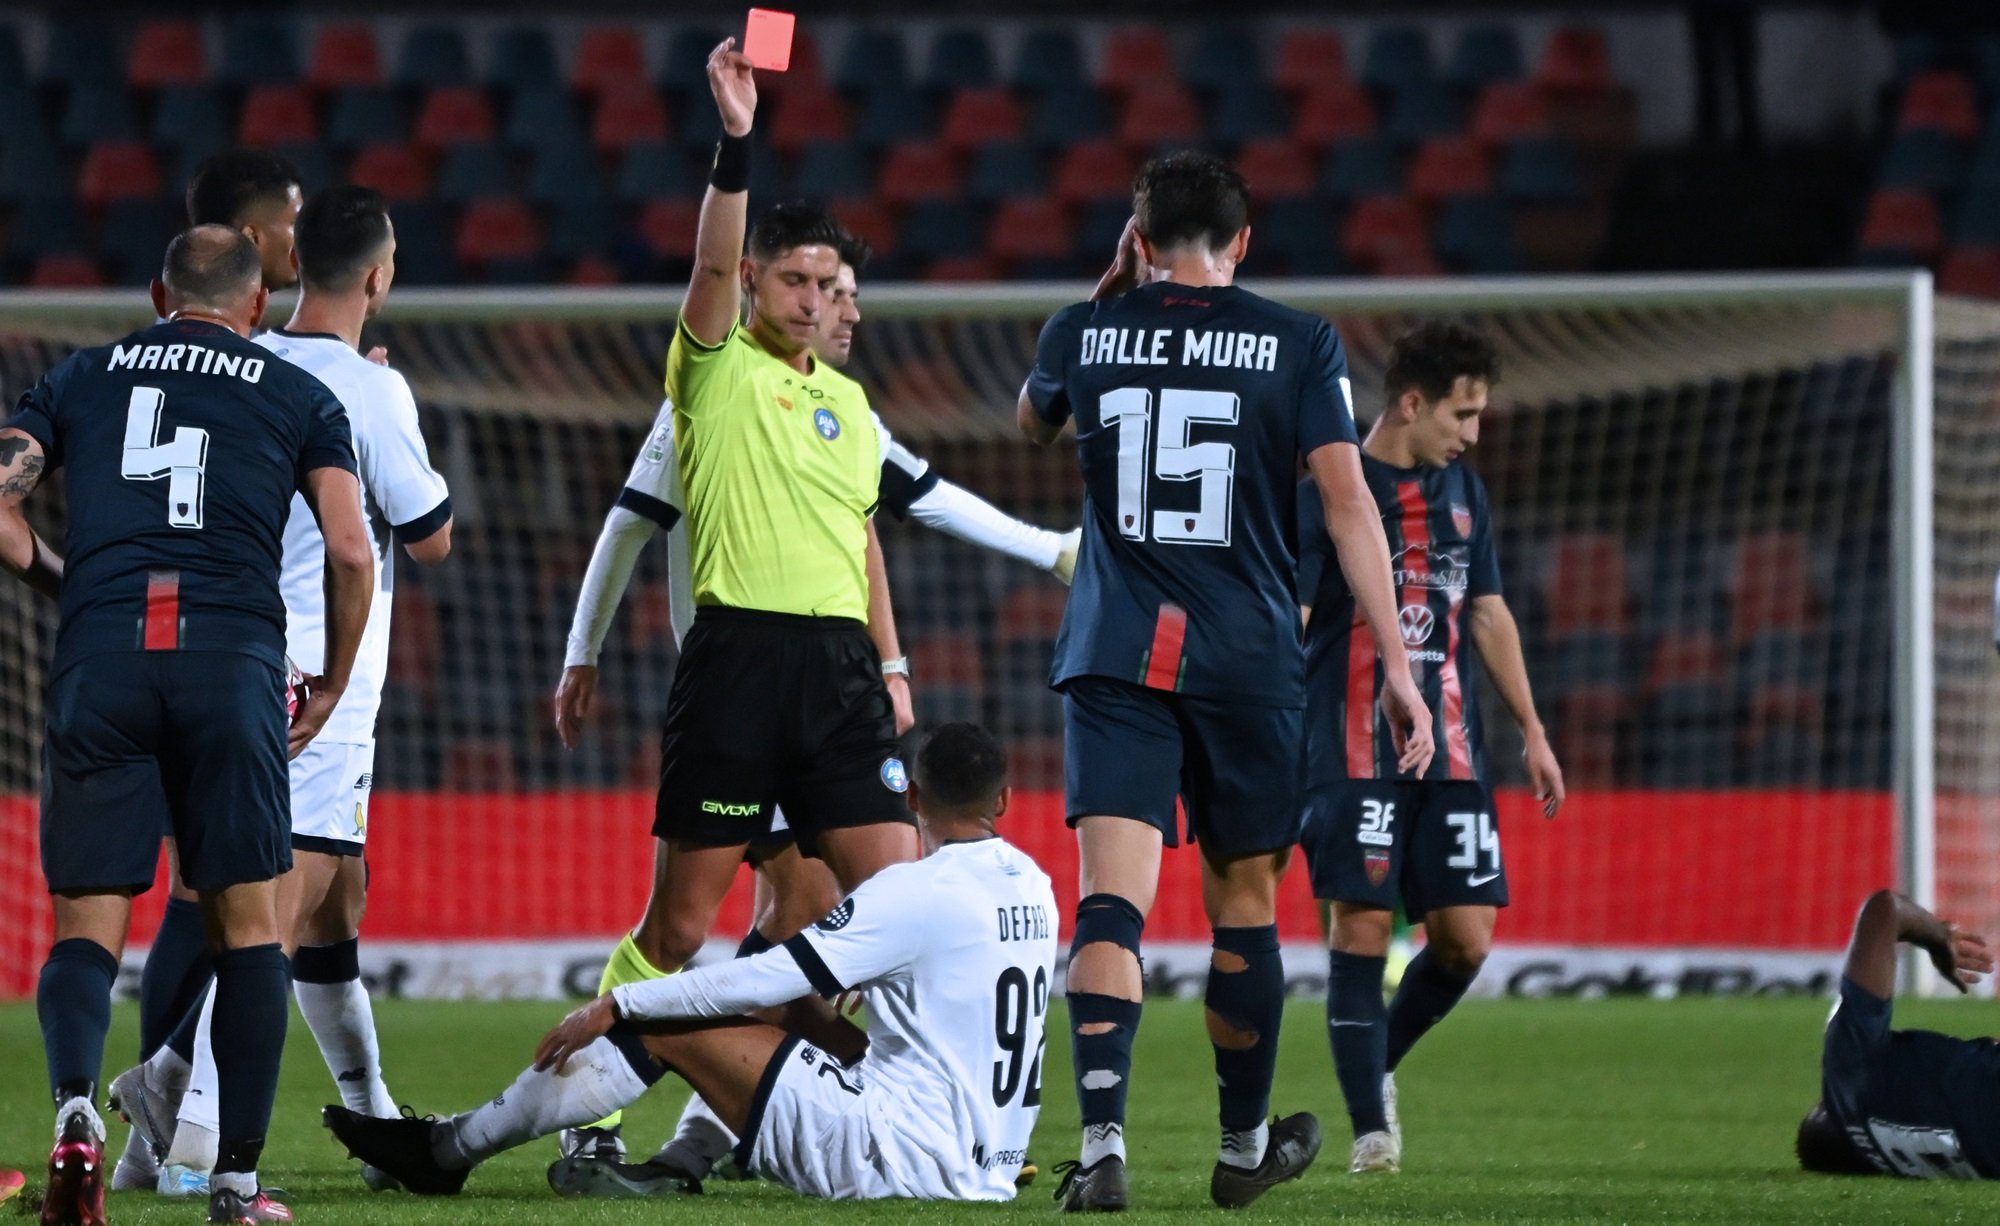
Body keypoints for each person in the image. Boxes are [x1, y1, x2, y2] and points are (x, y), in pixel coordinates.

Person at [553, 232, 1077, 1177]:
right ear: (768, 288)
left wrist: (893, 659)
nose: (846, 309)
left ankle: (744, 1137)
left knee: (832, 910)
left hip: (821, 703)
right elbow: (629, 522)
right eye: (825, 290)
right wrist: (581, 652)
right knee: (688, 929)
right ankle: (592, 1113)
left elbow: (870, 536)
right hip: (735, 697)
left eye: (841, 290)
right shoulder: (711, 398)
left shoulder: (841, 414)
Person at [1018, 154, 1434, 1211]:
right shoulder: (1299, 341)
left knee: (1109, 903)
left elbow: (1032, 420)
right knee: (1241, 903)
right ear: (1242, 242)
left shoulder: (1081, 330)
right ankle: (1242, 1146)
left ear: (1137, 234)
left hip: (1115, 650)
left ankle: (1102, 1143)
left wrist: (1106, 296)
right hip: (1247, 659)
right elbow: (1346, 505)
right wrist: (1393, 659)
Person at [1, 226, 374, 1225]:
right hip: (231, 662)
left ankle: (77, 1109)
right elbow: (349, 546)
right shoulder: (297, 391)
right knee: (248, 926)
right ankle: (236, 1186)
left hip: (104, 656)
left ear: (159, 289)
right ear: (258, 306)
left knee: (86, 924)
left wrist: (64, 578)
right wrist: (332, 682)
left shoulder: (83, 374)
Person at [324, 722, 1056, 1204]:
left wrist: (622, 1004)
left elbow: (768, 975)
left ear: (915, 796)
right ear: (1006, 799)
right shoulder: (1037, 887)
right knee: (796, 1011)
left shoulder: (912, 891)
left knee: (670, 1015)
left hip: (898, 1155)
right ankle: (683, 1162)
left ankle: (446, 1150)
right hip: (984, 1162)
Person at [112, 186, 454, 1198]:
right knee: (275, 912)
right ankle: (187, 1115)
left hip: (220, 649)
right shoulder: (365, 387)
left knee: (329, 905)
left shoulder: (245, 365)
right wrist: (387, 405)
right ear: (382, 276)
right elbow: (426, 533)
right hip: (319, 676)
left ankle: (372, 1113)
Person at [1296, 322, 1564, 1175]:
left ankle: (1373, 1066)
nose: (1472, 432)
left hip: (1450, 749)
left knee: (1465, 940)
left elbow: (1485, 612)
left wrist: (1532, 727)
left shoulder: (1463, 494)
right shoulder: (1330, 487)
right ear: (1411, 402)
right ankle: (1371, 1128)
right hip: (1350, 746)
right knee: (1363, 926)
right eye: (1464, 412)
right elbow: (1294, 619)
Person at [124, 153, 312, 1164]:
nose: (299, 234)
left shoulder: (154, 359)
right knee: (258, 906)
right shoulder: (270, 365)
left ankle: (148, 1136)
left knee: (208, 893)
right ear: (248, 240)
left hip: (165, 643)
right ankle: (205, 1148)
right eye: (287, 218)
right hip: (256, 656)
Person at [1795, 890, 1997, 1177]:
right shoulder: (1849, 1075)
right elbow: (1885, 910)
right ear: (1824, 1110)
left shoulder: (1891, 1157)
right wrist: (1938, 937)